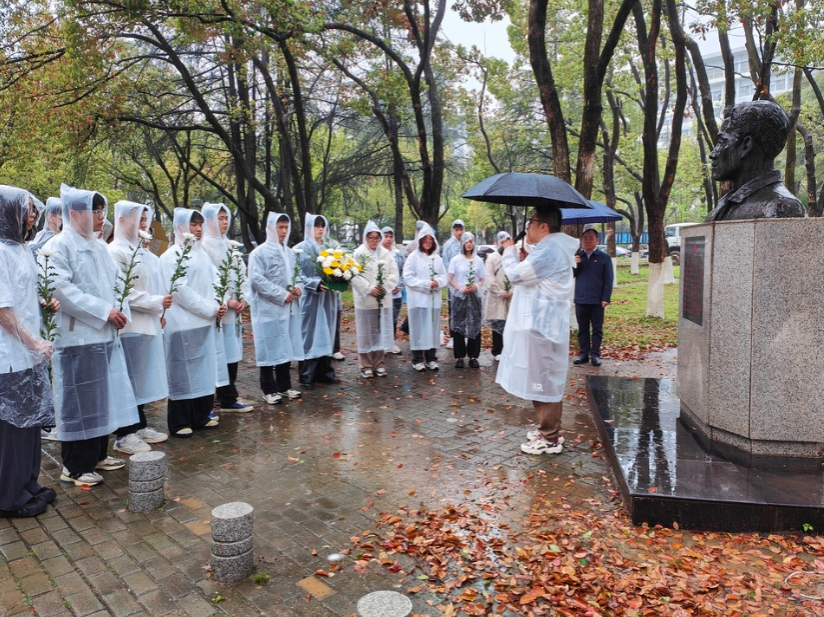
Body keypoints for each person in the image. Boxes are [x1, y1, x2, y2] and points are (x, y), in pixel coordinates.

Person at [49, 184, 139, 485]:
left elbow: (117, 284)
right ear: (74, 213)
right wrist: (104, 311)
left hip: (104, 335)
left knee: (101, 398)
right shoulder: (60, 246)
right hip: (78, 338)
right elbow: (61, 289)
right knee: (79, 401)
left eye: (102, 211)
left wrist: (120, 311)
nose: (102, 217)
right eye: (95, 211)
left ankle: (98, 455)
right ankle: (75, 466)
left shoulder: (99, 246)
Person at [496, 207, 579, 455]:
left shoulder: (550, 249)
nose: (527, 228)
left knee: (544, 381)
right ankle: (548, 429)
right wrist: (526, 259)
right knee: (542, 379)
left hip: (543, 327)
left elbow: (516, 275)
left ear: (543, 226)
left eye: (530, 223)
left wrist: (509, 253)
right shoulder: (550, 248)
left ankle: (549, 437)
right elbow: (535, 277)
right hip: (543, 325)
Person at [0, 186, 58, 517]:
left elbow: (21, 295)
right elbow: (2, 309)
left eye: (34, 209)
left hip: (27, 353)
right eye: (26, 209)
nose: (33, 214)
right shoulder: (0, 251)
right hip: (9, 356)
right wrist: (32, 342)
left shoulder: (21, 248)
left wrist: (43, 303)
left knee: (30, 425)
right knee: (13, 431)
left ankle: (28, 484)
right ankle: (10, 498)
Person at [108, 202, 171, 454]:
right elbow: (125, 293)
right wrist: (156, 303)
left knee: (141, 378)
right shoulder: (115, 251)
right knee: (127, 380)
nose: (143, 225)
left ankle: (139, 425)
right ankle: (124, 434)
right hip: (130, 326)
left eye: (145, 220)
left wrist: (160, 312)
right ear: (122, 220)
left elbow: (152, 285)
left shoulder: (141, 252)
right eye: (138, 219)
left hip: (148, 324)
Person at [160, 208, 227, 437]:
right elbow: (180, 291)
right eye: (193, 225)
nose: (198, 229)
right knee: (182, 370)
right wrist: (210, 308)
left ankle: (201, 414)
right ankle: (179, 421)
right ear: (180, 227)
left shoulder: (202, 253)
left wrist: (220, 302)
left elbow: (216, 279)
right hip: (183, 322)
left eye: (200, 225)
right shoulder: (171, 256)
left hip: (205, 321)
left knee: (203, 369)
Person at [706, 100, 805, 221]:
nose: (713, 154)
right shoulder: (722, 208)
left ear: (746, 145)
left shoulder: (780, 207)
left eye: (722, 142)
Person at [202, 203, 254, 413]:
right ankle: (215, 396)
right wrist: (226, 299)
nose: (224, 222)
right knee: (217, 352)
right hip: (219, 310)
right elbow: (208, 278)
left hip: (234, 311)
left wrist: (243, 298)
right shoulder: (204, 245)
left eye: (226, 218)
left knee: (231, 352)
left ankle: (228, 396)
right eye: (220, 218)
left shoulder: (230, 245)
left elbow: (242, 274)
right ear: (209, 220)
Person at [248, 213, 303, 404]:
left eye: (286, 227)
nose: (284, 231)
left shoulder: (289, 253)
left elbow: (297, 275)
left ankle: (284, 385)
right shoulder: (259, 253)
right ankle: (268, 389)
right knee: (269, 347)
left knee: (285, 346)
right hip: (268, 309)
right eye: (280, 227)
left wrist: (298, 287)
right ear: (271, 228)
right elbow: (257, 279)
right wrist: (280, 294)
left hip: (288, 309)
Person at [294, 214, 340, 390]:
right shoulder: (299, 249)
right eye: (316, 226)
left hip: (328, 298)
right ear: (308, 228)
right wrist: (314, 283)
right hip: (310, 298)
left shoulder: (331, 248)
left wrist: (338, 279)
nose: (320, 229)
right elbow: (297, 274)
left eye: (323, 226)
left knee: (327, 331)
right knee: (310, 334)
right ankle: (307, 375)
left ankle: (325, 371)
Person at [351, 222, 399, 378]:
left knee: (380, 331)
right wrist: (369, 288)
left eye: (377, 238)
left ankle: (379, 364)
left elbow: (394, 273)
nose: (374, 241)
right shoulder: (359, 253)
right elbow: (354, 275)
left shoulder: (385, 253)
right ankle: (365, 365)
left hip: (382, 300)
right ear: (365, 238)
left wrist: (385, 286)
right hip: (366, 300)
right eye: (370, 237)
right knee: (365, 333)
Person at [403, 224, 447, 371]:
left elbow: (444, 275)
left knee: (433, 329)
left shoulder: (437, 258)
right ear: (420, 240)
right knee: (419, 330)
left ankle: (431, 358)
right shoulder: (413, 257)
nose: (428, 241)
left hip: (433, 301)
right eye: (425, 239)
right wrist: (425, 283)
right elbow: (408, 277)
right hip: (419, 300)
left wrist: (438, 282)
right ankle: (417, 359)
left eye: (430, 239)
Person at [572, 229, 613, 367]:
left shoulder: (604, 258)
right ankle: (583, 353)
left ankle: (595, 354)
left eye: (591, 238)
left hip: (597, 300)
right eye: (585, 238)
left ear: (597, 240)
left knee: (597, 329)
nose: (588, 241)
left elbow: (608, 280)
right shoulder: (578, 257)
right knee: (582, 328)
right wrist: (575, 264)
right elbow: (571, 275)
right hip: (581, 298)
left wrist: (605, 298)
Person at [447, 232, 485, 369]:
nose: (469, 244)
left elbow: (482, 279)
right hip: (460, 297)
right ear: (462, 243)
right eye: (466, 241)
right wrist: (460, 288)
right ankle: (459, 356)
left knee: (474, 323)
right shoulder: (456, 260)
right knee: (459, 325)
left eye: (471, 241)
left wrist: (476, 286)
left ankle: (474, 356)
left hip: (474, 296)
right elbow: (450, 279)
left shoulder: (478, 260)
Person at [484, 231, 514, 360]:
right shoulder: (492, 258)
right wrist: (500, 292)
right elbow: (489, 278)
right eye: (502, 242)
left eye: (506, 241)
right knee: (498, 322)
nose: (504, 244)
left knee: (510, 323)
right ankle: (497, 350)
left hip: (510, 296)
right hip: (496, 297)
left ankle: (509, 349)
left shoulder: (513, 257)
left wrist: (511, 291)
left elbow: (517, 276)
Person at [440, 219, 465, 350]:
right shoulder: (448, 245)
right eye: (456, 230)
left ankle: (463, 336)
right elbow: (445, 264)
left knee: (465, 311)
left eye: (461, 229)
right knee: (454, 310)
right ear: (452, 230)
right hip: (453, 283)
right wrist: (451, 282)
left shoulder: (467, 242)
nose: (459, 232)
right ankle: (453, 336)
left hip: (466, 284)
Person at [381, 226, 404, 354]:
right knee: (382, 317)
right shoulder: (378, 253)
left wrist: (399, 286)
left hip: (396, 293)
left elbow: (403, 271)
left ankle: (391, 342)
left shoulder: (398, 254)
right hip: (383, 292)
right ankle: (382, 343)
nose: (388, 239)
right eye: (386, 236)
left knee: (393, 318)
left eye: (391, 236)